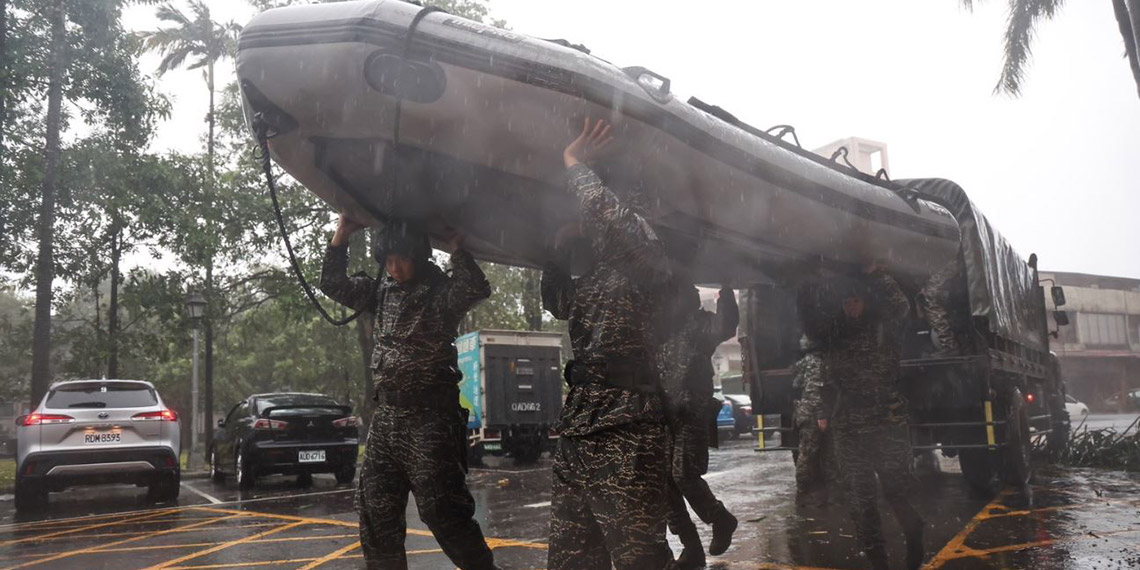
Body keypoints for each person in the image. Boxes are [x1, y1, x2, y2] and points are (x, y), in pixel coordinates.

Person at [319, 217, 496, 570]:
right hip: (387, 419)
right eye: (387, 261)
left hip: (430, 419)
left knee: (443, 509)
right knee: (376, 510)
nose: (394, 268)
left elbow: (476, 288)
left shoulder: (441, 291)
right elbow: (333, 283)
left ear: (419, 255)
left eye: (401, 259)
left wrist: (459, 251)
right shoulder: (380, 290)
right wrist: (342, 235)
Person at [541, 117, 674, 569]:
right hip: (581, 425)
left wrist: (575, 162)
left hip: (628, 427)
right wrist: (559, 251)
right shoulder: (595, 273)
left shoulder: (646, 256)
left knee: (639, 560)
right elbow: (558, 302)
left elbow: (613, 220)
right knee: (570, 561)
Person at [815, 263, 926, 570]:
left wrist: (878, 274)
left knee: (895, 490)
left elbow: (901, 306)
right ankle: (878, 561)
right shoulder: (835, 337)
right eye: (846, 301)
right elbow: (825, 380)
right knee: (860, 500)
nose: (851, 305)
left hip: (884, 422)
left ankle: (914, 533)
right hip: (849, 427)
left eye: (855, 300)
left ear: (864, 302)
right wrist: (822, 412)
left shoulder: (883, 328)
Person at [657, 281, 741, 568]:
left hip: (692, 411)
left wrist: (726, 291)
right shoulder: (660, 332)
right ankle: (691, 547)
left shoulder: (698, 324)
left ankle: (720, 518)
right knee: (665, 481)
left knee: (683, 474)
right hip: (664, 415)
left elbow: (726, 326)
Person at [790, 336, 837, 503]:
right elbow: (817, 392)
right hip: (815, 415)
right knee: (812, 453)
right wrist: (822, 416)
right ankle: (804, 493)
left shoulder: (805, 361)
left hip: (806, 412)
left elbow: (796, 382)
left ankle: (810, 493)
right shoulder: (820, 363)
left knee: (812, 453)